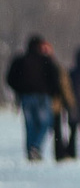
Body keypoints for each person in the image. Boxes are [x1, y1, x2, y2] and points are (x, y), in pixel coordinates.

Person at [8, 35, 61, 163]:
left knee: (30, 125)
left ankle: (30, 150)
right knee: (45, 123)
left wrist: (20, 89)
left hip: (26, 97)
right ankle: (35, 147)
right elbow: (55, 77)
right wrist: (53, 92)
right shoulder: (45, 60)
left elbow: (10, 78)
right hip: (43, 96)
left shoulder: (20, 60)